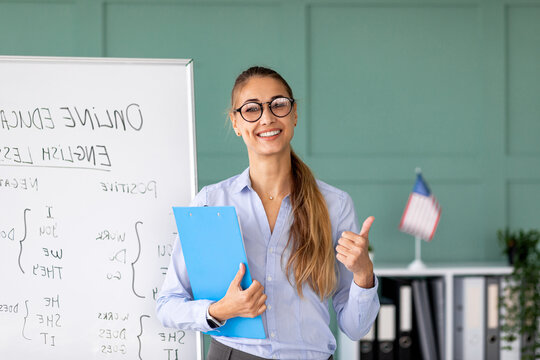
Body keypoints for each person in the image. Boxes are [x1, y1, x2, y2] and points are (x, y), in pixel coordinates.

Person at [156, 66, 380, 360]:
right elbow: (167, 305)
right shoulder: (212, 201)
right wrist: (221, 310)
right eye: (251, 109)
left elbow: (355, 327)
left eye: (279, 104)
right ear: (236, 122)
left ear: (294, 113)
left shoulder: (334, 205)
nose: (267, 117)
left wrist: (364, 274)